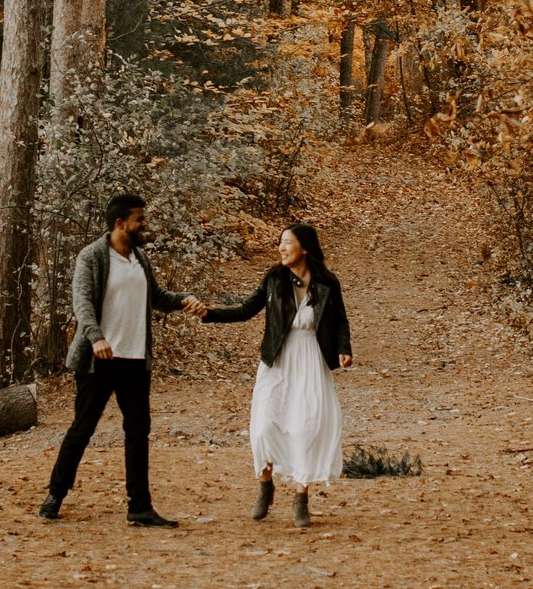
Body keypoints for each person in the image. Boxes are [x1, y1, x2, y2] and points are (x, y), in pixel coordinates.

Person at [38, 193, 205, 527]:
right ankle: (56, 493)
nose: (144, 225)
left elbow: (156, 297)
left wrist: (184, 299)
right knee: (82, 428)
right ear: (120, 223)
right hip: (99, 359)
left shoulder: (139, 258)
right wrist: (95, 336)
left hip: (135, 358)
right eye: (139, 220)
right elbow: (82, 302)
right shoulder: (93, 257)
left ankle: (139, 507)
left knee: (138, 431)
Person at [202, 223, 352, 528]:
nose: (282, 248)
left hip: (310, 358)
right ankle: (265, 484)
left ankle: (301, 498)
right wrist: (209, 313)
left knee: (305, 427)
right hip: (277, 359)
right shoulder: (274, 278)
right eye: (280, 243)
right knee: (263, 427)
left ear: (305, 248)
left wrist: (344, 348)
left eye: (288, 242)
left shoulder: (326, 282)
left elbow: (340, 321)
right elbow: (246, 310)